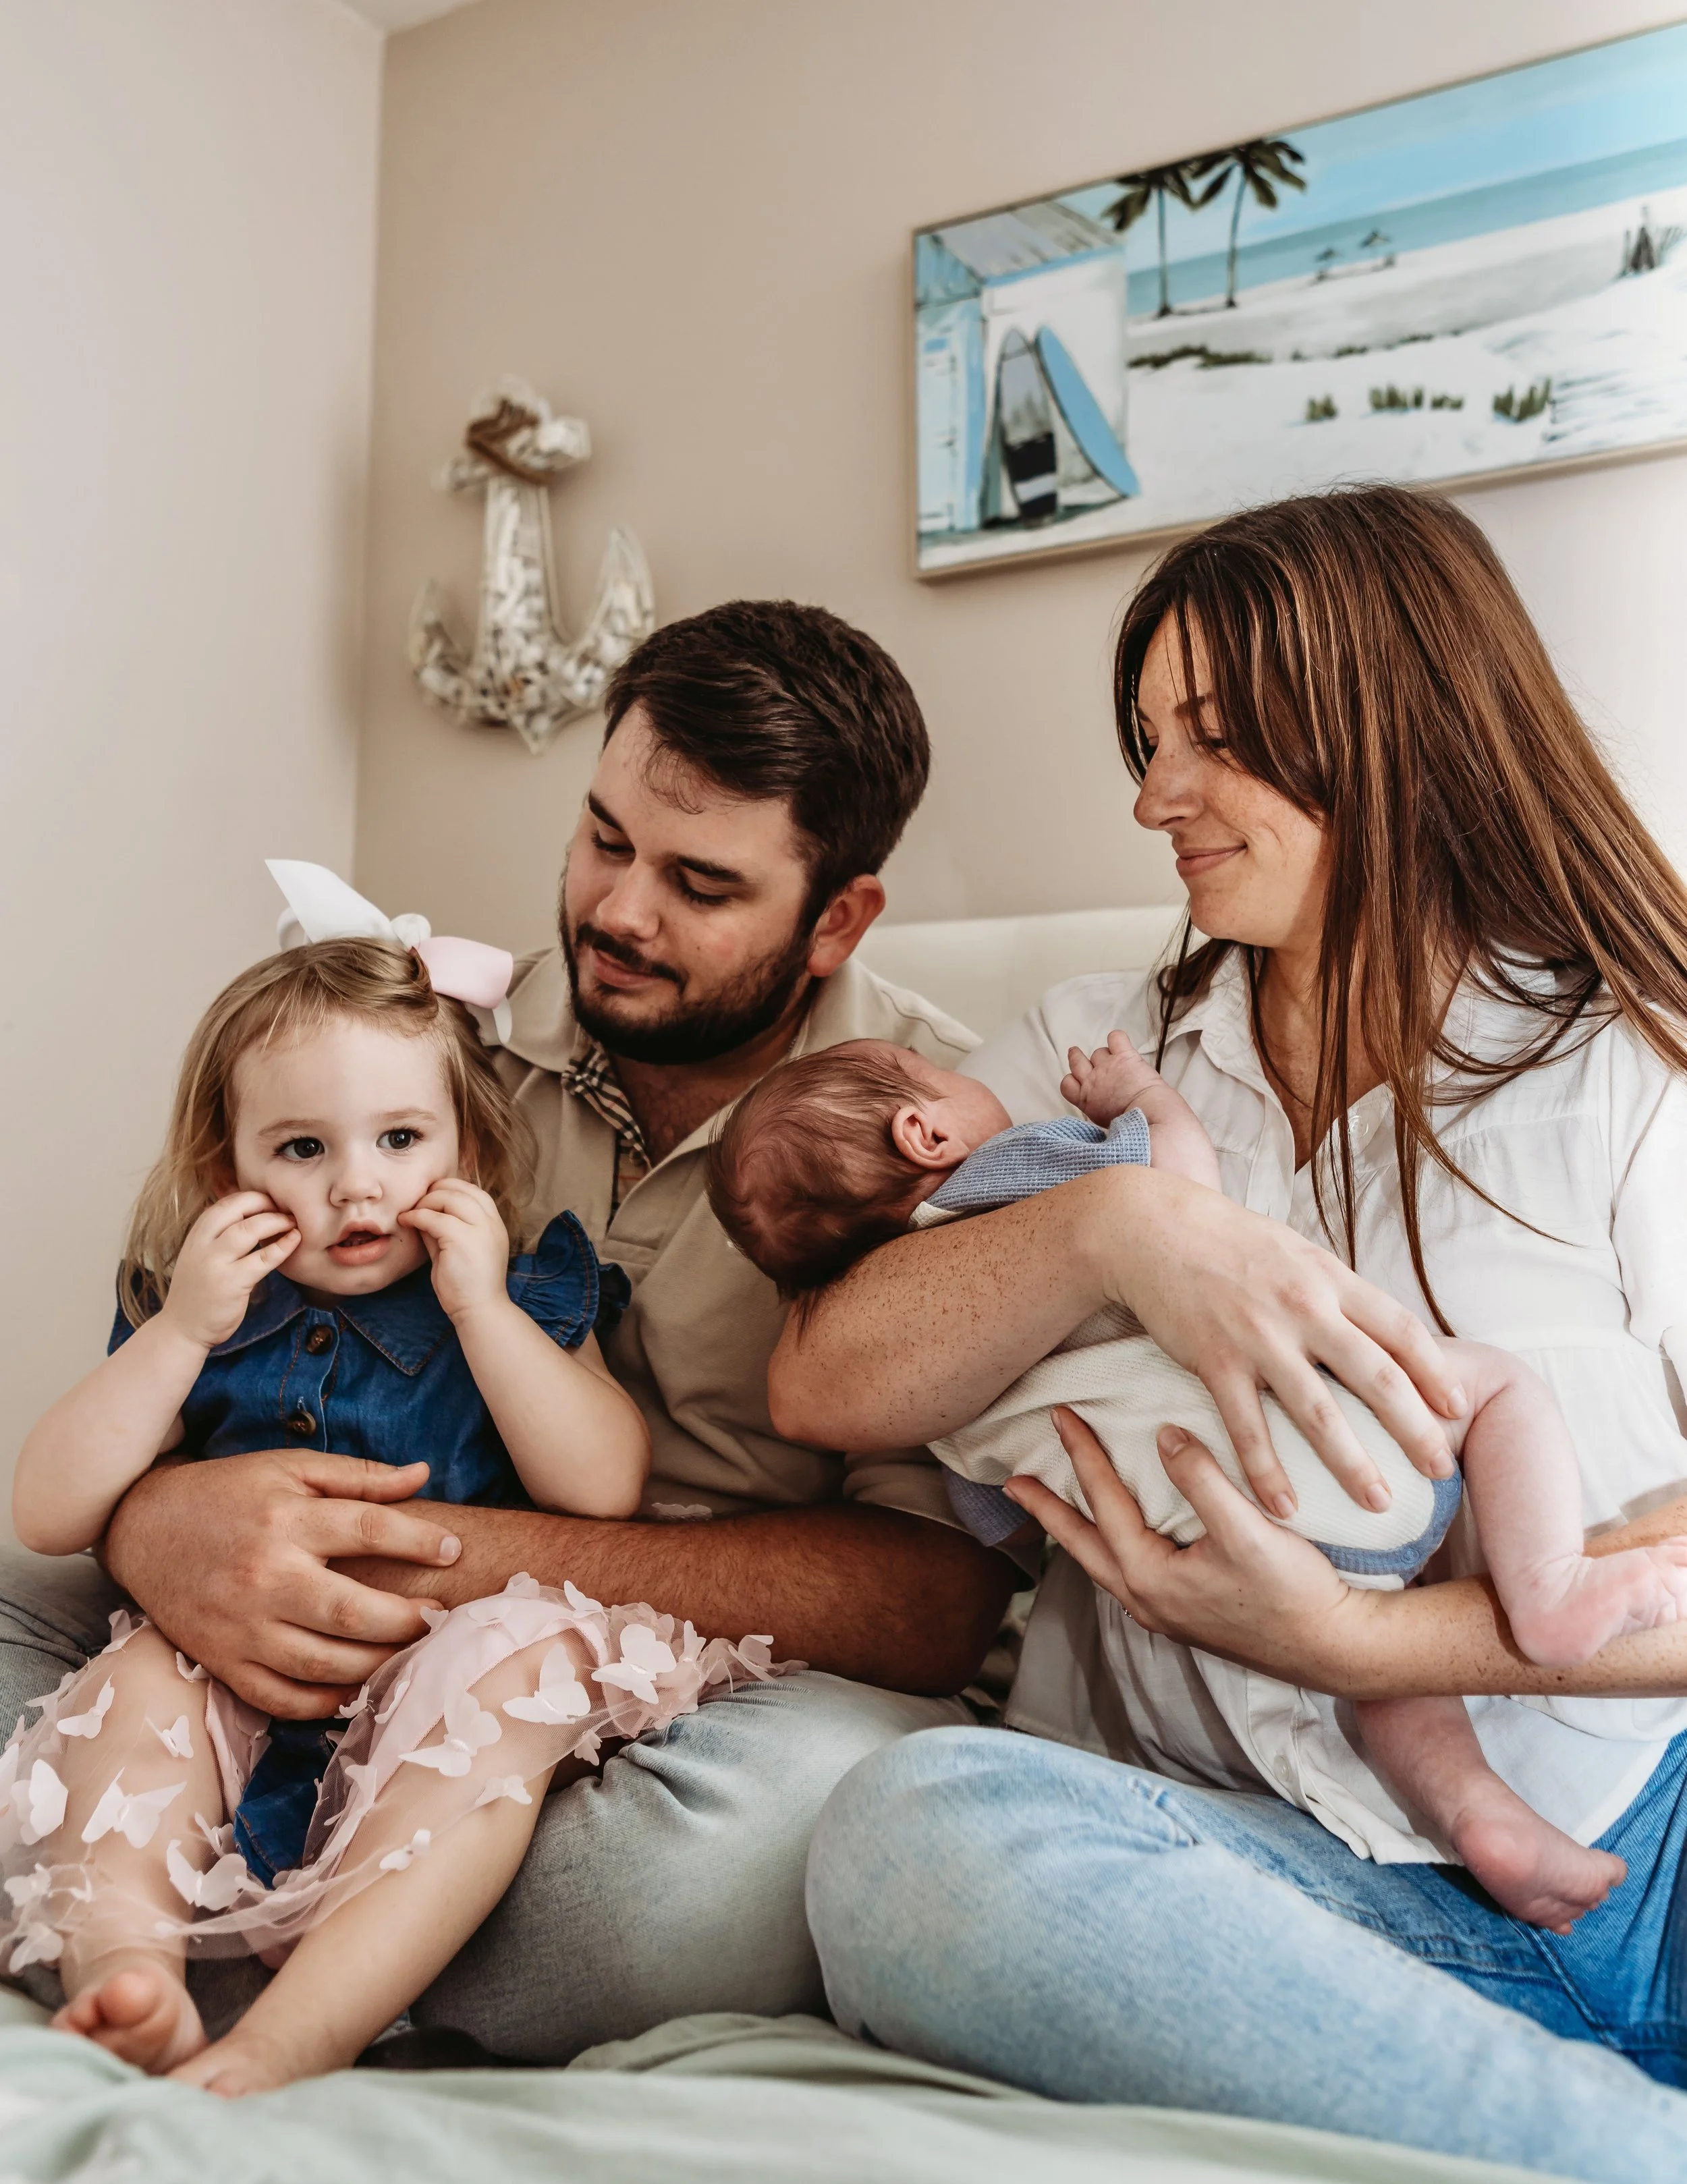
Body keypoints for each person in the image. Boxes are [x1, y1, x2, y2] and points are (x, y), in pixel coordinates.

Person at [775, 490, 1687, 2181]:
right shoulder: (1092, 1056)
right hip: (1269, 1892)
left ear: (1394, 716)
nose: (1147, 798)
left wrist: (1369, 1648)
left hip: (1633, 1843)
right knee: (910, 1842)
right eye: (1143, 738)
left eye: (1209, 737)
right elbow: (832, 1379)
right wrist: (1122, 1224)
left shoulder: (1630, 1066)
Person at [0, 600, 1019, 2058]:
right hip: (303, 1618)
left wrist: (450, 1566)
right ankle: (181, 1938)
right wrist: (163, 1525)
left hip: (711, 1685)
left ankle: (294, 1945)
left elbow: (935, 1605)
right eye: (603, 838)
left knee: (641, 1903)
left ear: (835, 919)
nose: (617, 910)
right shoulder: (423, 1048)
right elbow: (176, 1360)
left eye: (699, 883)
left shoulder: (919, 1133)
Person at [3, 928, 783, 2094]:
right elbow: (48, 1510)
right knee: (138, 1686)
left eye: (402, 1140)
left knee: (509, 1671)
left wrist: (486, 1314)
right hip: (246, 1661)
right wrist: (178, 1334)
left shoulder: (519, 1289)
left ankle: (298, 2032)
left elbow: (603, 1485)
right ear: (231, 1171)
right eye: (302, 1149)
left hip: (445, 1659)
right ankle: (130, 1971)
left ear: (465, 1145)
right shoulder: (208, 1311)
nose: (357, 1185)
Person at [713, 1028, 1687, 1930]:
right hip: (1344, 1451)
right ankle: (1550, 1591)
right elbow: (1179, 1188)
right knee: (1492, 1387)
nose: (967, 1062)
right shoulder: (1016, 1174)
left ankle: (1479, 1815)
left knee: (1373, 1670)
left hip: (1218, 1557)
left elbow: (1002, 1514)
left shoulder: (949, 1395)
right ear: (924, 1131)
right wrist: (1138, 1100)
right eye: (933, 1062)